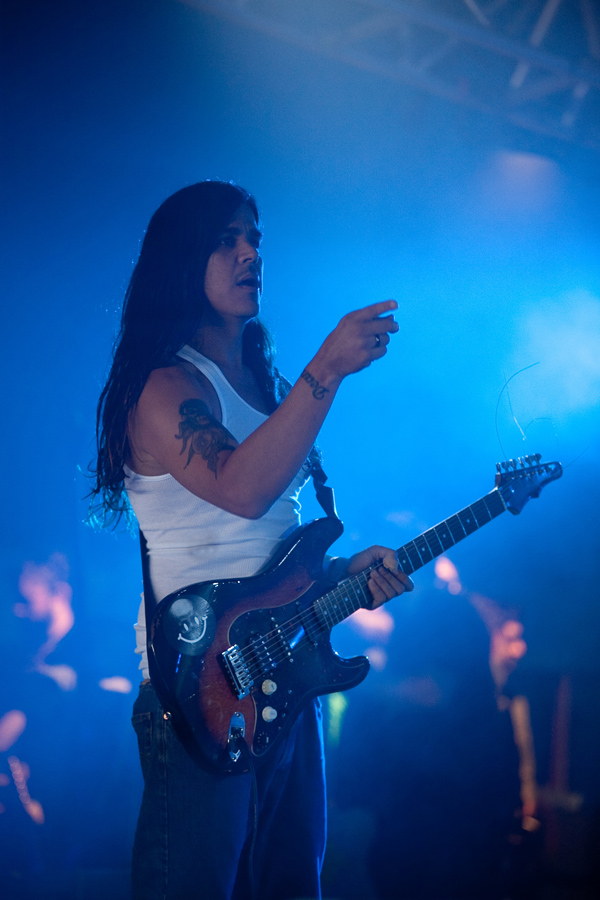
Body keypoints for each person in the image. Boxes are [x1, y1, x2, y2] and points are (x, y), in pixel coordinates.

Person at [90, 180, 413, 900]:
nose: (249, 253)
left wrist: (343, 574)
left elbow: (270, 542)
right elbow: (240, 490)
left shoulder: (267, 387)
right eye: (227, 240)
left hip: (285, 677)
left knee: (293, 884)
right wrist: (326, 369)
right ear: (183, 259)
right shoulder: (163, 385)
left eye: (255, 239)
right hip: (199, 690)